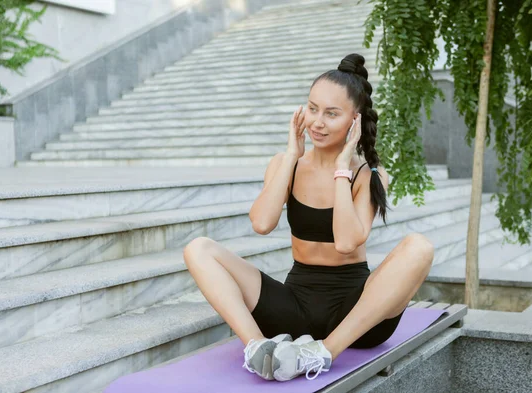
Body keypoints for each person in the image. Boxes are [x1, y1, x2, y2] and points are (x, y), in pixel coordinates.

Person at [182, 53, 434, 382]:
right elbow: (261, 223)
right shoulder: (285, 164)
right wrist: (291, 156)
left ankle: (324, 351)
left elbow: (346, 242)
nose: (317, 122)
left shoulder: (368, 175)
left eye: (331, 114)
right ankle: (257, 348)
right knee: (198, 249)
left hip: (355, 316)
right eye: (312, 109)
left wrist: (342, 169)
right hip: (293, 309)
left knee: (420, 247)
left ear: (354, 120)